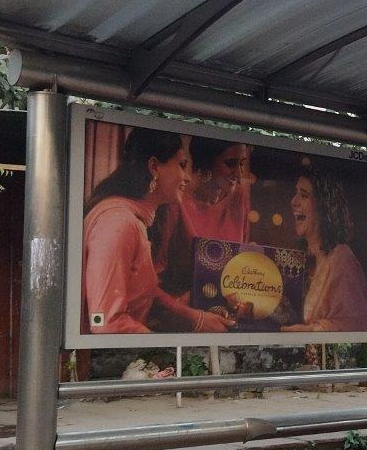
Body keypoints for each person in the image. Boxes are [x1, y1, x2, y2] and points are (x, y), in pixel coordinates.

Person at [83, 127, 233, 334]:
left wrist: (197, 320)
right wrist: (164, 346)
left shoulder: (133, 219)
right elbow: (106, 324)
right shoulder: (119, 223)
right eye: (181, 165)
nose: (187, 178)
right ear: (154, 167)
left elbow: (146, 294)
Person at [280, 163, 367, 332]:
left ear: (323, 205)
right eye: (295, 194)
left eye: (304, 195)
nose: (293, 202)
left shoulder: (342, 258)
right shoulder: (298, 257)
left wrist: (312, 331)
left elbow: (357, 325)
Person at [156, 137, 253, 295]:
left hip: (225, 302)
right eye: (230, 163)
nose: (239, 174)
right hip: (179, 303)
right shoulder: (176, 199)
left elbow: (238, 266)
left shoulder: (239, 196)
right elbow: (154, 276)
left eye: (241, 163)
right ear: (207, 161)